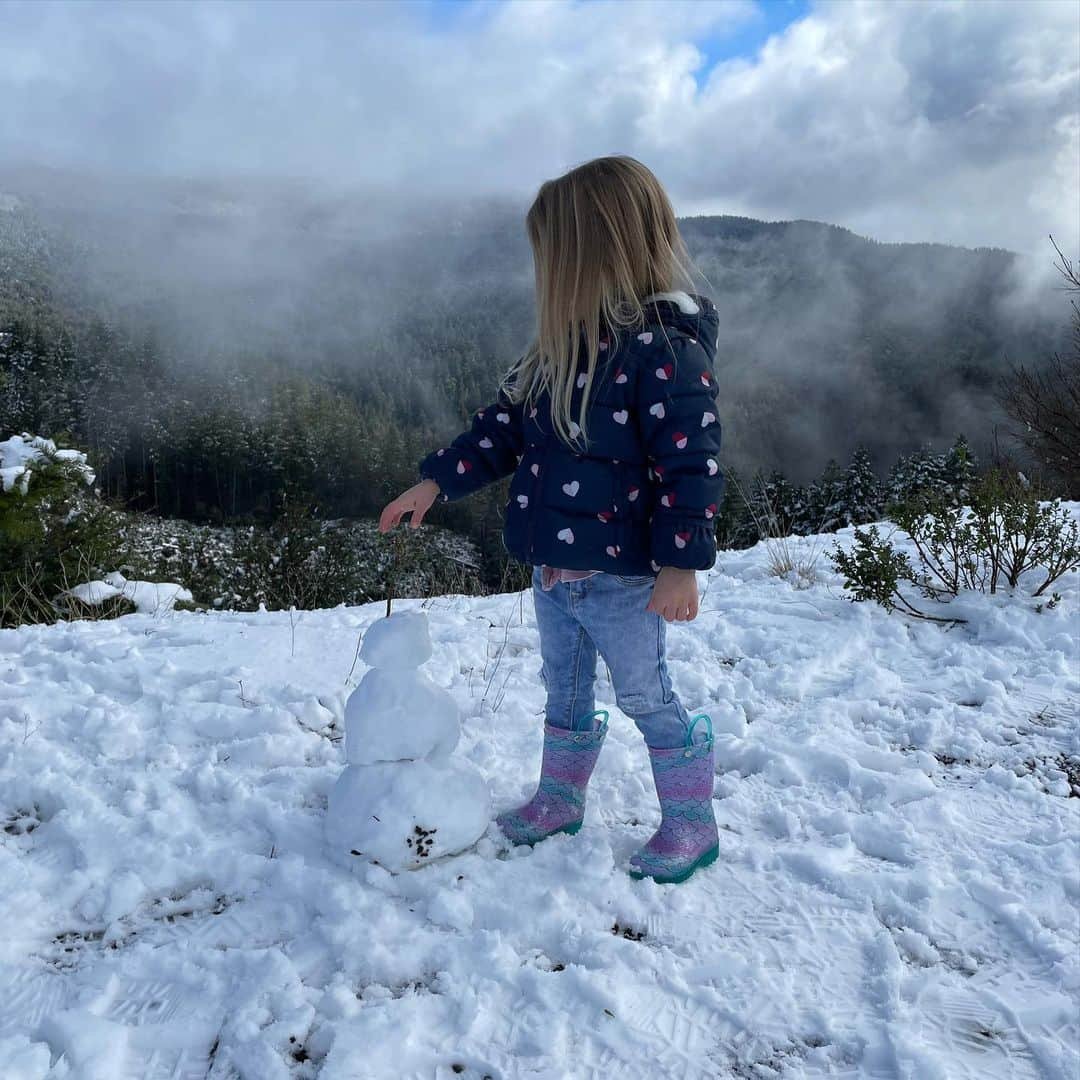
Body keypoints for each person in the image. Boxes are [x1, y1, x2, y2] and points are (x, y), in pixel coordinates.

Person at [378, 156, 724, 885]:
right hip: (554, 574)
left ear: (596, 252)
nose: (548, 276)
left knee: (646, 695)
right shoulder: (558, 351)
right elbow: (499, 433)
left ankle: (691, 824)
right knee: (563, 691)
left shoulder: (666, 355)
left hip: (625, 579)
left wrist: (680, 563)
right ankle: (560, 797)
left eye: (557, 258)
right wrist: (434, 483)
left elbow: (691, 468)